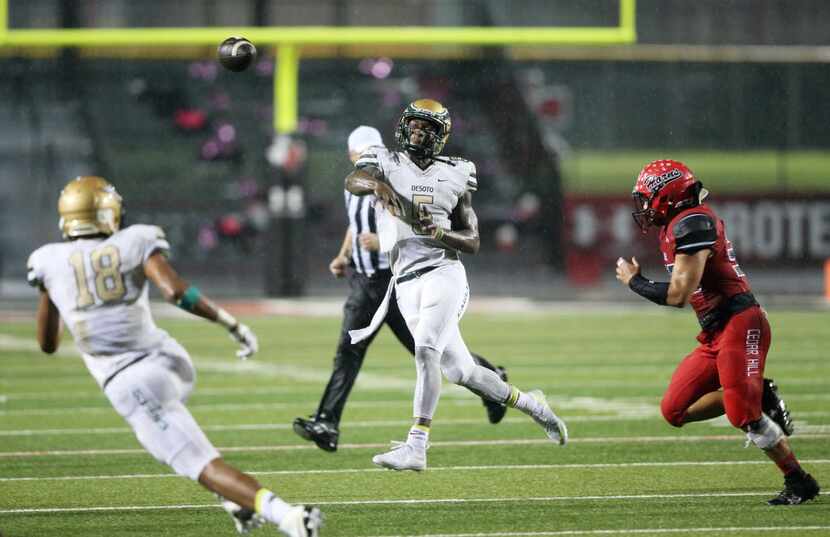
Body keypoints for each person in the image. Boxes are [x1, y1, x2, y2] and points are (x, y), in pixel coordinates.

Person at [27, 176, 323, 536]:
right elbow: (174, 290)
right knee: (185, 440)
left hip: (130, 380)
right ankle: (232, 499)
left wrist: (66, 302)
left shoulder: (47, 260)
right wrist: (230, 323)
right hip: (169, 360)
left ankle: (287, 516)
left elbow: (47, 343)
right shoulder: (134, 239)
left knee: (199, 461)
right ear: (107, 211)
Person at [344, 99, 568, 471]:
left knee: (426, 351)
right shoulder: (386, 162)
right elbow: (354, 180)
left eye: (426, 128)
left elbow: (473, 240)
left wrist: (440, 232)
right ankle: (533, 404)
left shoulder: (457, 172)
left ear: (440, 136)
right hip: (404, 283)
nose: (417, 132)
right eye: (414, 125)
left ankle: (417, 445)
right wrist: (380, 187)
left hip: (442, 273)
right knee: (462, 373)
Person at [615, 159, 820, 506]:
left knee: (744, 417)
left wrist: (635, 282)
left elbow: (679, 295)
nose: (645, 207)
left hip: (740, 323)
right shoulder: (677, 224)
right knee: (674, 410)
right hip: (714, 332)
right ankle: (761, 393)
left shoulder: (693, 222)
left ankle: (799, 481)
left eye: (649, 198)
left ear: (668, 195)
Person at [293, 126, 509, 452]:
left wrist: (382, 242)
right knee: (374, 352)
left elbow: (405, 221)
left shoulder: (393, 173)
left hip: (393, 279)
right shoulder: (364, 177)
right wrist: (343, 254)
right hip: (366, 282)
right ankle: (327, 422)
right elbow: (357, 223)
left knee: (428, 353)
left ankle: (492, 380)